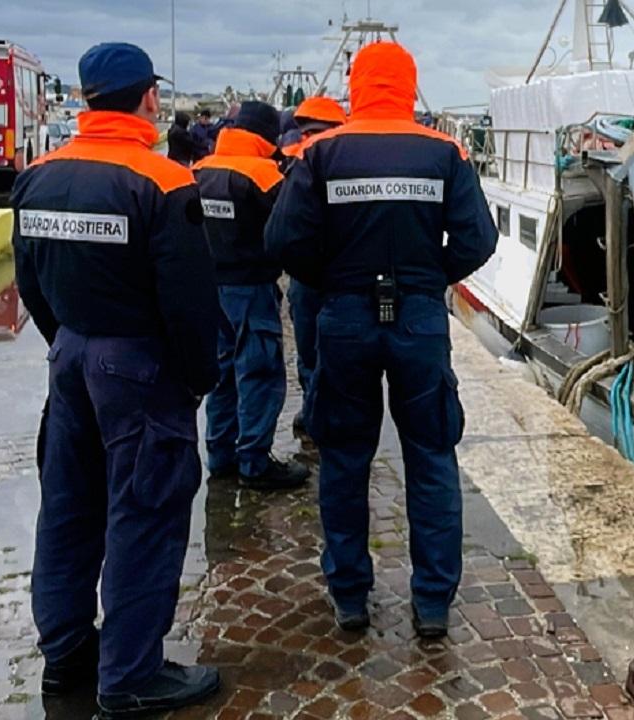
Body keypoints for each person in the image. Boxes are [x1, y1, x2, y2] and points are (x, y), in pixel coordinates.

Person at [12, 42, 221, 717]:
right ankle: (131, 674)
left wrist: (67, 343)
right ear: (148, 98)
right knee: (146, 511)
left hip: (69, 356)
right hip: (137, 366)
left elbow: (29, 283)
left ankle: (68, 652)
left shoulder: (37, 175)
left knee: (69, 507)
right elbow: (189, 303)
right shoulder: (162, 182)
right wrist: (194, 382)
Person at [264, 42, 497, 637]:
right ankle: (433, 603)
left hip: (344, 320)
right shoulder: (445, 153)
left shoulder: (321, 152)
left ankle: (349, 595)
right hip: (418, 321)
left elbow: (283, 240)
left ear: (357, 85)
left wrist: (333, 280)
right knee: (431, 456)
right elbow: (478, 239)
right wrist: (427, 279)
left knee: (343, 459)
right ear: (409, 85)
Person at [193, 102, 310, 490]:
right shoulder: (265, 175)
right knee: (258, 371)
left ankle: (220, 455)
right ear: (267, 135)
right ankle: (256, 461)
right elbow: (292, 229)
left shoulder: (200, 169)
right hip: (252, 289)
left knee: (221, 374)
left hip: (209, 290)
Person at [277, 97, 348, 436]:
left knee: (309, 350)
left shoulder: (291, 162)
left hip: (305, 278)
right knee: (336, 353)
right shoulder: (347, 163)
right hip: (339, 278)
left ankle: (313, 410)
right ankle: (331, 415)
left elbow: (279, 235)